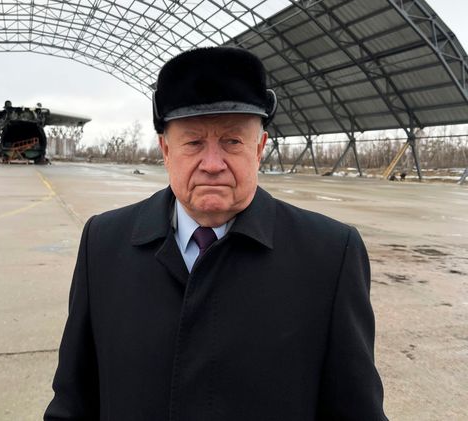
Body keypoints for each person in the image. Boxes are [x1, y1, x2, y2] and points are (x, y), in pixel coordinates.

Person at [45, 46, 387, 420]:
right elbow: (73, 401)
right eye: (193, 142)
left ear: (259, 149)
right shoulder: (103, 244)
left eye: (232, 141)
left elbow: (356, 410)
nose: (212, 164)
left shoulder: (329, 255)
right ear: (166, 150)